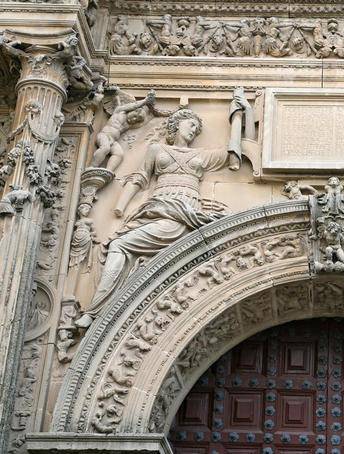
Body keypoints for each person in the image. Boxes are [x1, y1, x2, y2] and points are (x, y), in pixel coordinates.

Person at [75, 108, 237, 328]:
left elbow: (231, 153)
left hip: (182, 215)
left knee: (121, 245)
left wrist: (238, 115)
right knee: (118, 245)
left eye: (197, 128)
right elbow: (140, 177)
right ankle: (100, 311)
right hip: (154, 211)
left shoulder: (201, 155)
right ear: (176, 124)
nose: (194, 130)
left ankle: (96, 313)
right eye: (191, 125)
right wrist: (120, 206)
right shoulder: (156, 149)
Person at [90, 90, 157, 172]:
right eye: (134, 116)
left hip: (113, 140)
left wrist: (156, 113)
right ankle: (92, 166)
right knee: (105, 148)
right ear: (133, 111)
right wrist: (145, 101)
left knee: (119, 154)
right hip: (104, 136)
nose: (134, 119)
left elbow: (144, 123)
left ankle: (108, 171)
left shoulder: (127, 125)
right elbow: (133, 105)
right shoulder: (120, 111)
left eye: (136, 120)